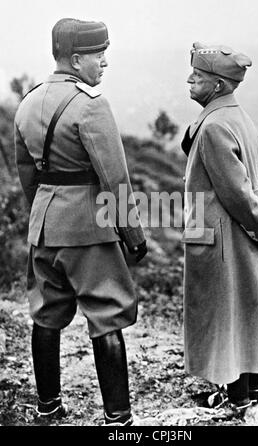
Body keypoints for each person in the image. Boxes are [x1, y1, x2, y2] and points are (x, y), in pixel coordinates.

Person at [14, 18, 147, 426]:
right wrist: (133, 236)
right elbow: (115, 177)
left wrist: (44, 210)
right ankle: (118, 420)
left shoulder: (28, 102)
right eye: (98, 55)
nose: (104, 63)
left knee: (46, 314)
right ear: (76, 59)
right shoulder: (91, 105)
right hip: (88, 227)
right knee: (107, 314)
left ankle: (48, 408)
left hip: (44, 224)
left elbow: (25, 172)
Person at [181, 42, 258, 412]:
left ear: (218, 86)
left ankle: (238, 398)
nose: (190, 80)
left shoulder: (213, 126)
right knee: (249, 311)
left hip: (225, 239)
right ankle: (253, 393)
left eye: (198, 76)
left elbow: (238, 194)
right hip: (245, 236)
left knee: (226, 317)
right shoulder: (241, 119)